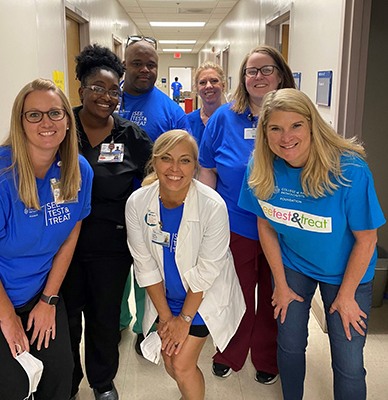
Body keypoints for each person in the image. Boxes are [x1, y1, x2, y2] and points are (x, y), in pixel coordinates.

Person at [239, 88, 386, 400]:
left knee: (347, 360)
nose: (285, 137)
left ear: (311, 125)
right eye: (275, 128)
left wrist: (346, 296)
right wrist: (279, 282)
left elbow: (368, 239)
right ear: (265, 132)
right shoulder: (260, 168)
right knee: (289, 344)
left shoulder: (349, 171)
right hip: (294, 263)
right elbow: (264, 224)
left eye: (295, 126)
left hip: (347, 271)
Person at [0, 78, 93, 399]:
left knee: (59, 378)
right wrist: (8, 318)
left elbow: (71, 233)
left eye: (55, 113)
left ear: (67, 120)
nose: (46, 122)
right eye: (34, 115)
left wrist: (48, 299)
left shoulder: (78, 170)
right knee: (12, 385)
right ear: (20, 122)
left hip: (39, 294)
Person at [199, 45, 296, 383]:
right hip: (235, 225)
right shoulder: (223, 118)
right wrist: (206, 219)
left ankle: (268, 358)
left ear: (281, 74)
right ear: (242, 79)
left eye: (266, 69)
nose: (258, 77)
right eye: (251, 71)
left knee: (275, 293)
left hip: (283, 228)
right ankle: (229, 350)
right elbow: (207, 169)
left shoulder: (296, 117)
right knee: (233, 293)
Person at [61, 44, 152, 400]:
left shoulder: (132, 137)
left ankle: (102, 382)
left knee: (104, 320)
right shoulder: (61, 127)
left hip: (112, 245)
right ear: (81, 87)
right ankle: (67, 382)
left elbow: (152, 183)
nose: (106, 96)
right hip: (61, 244)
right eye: (97, 87)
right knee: (65, 321)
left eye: (114, 90)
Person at [125, 129, 245, 400]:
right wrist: (167, 318)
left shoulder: (212, 206)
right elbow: (144, 265)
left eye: (185, 160)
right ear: (154, 162)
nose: (175, 168)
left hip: (203, 297)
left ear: (195, 165)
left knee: (181, 363)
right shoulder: (138, 203)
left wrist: (185, 319)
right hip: (165, 298)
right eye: (166, 158)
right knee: (169, 361)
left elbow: (206, 272)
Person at [118, 35, 191, 356]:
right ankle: (116, 321)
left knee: (148, 268)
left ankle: (144, 327)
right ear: (124, 65)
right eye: (137, 63)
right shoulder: (109, 100)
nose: (145, 69)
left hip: (154, 207)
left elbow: (183, 161)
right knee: (114, 270)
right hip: (108, 205)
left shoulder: (171, 111)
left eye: (151, 64)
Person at [187, 61, 226, 146]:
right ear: (197, 89)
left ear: (223, 86)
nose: (208, 86)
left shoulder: (234, 120)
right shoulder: (188, 122)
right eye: (202, 82)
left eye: (214, 81)